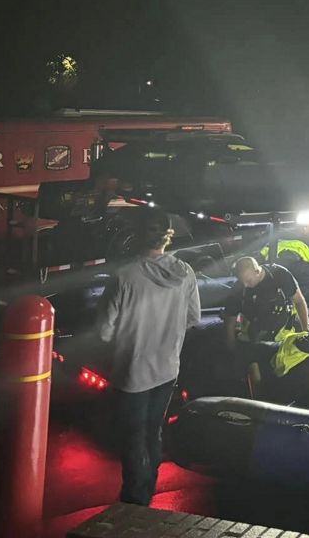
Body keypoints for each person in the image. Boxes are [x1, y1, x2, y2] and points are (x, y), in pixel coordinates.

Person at [100, 209, 200, 506]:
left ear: (139, 235)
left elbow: (104, 331)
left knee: (132, 436)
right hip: (168, 368)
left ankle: (134, 499)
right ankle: (148, 487)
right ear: (167, 237)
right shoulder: (185, 273)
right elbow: (193, 318)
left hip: (132, 371)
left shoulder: (123, 276)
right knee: (153, 430)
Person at [225, 256, 309, 405]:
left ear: (257, 271)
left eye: (249, 281)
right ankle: (260, 405)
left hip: (284, 337)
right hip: (255, 340)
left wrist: (306, 330)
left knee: (297, 367)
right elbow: (229, 321)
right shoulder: (239, 289)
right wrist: (231, 347)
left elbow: (299, 301)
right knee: (255, 373)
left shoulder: (280, 275)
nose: (245, 285)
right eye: (242, 281)